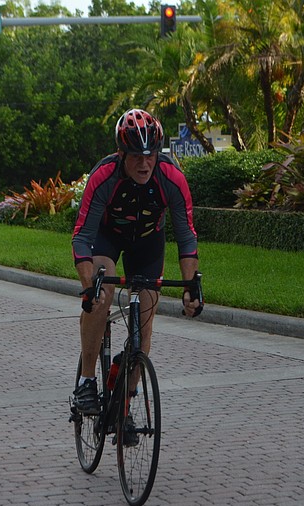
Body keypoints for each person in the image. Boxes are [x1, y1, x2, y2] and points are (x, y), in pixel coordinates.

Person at [71, 108, 202, 415]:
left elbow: (187, 237)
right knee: (102, 293)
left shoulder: (172, 177)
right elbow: (81, 237)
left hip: (147, 241)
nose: (144, 164)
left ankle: (125, 401)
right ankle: (87, 381)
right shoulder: (104, 176)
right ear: (121, 153)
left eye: (150, 155)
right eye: (135, 156)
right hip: (107, 236)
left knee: (145, 319)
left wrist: (190, 288)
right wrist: (90, 287)